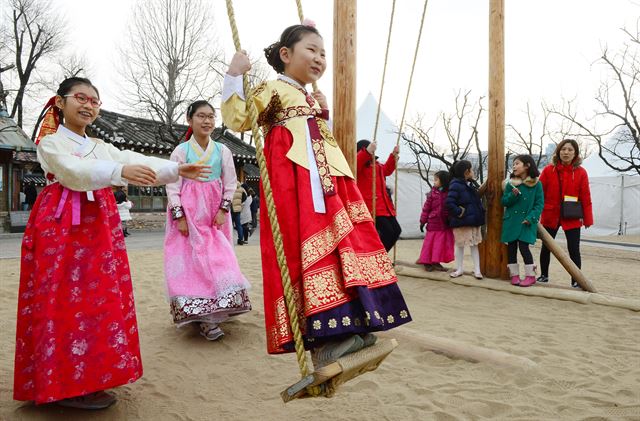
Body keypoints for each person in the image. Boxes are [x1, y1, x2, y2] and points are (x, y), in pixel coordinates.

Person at [221, 22, 412, 365]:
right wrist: (234, 74)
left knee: (345, 245)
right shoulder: (273, 89)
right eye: (311, 49)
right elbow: (239, 119)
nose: (319, 58)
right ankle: (324, 341)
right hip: (297, 184)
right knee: (310, 247)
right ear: (285, 54)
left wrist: (321, 113)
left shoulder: (308, 98)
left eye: (323, 53)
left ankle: (351, 322)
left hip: (330, 184)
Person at [13, 77, 210, 409]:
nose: (89, 105)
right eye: (81, 98)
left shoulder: (102, 147)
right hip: (60, 229)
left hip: (98, 228)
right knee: (59, 299)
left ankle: (92, 376)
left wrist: (175, 169)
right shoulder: (50, 144)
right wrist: (121, 171)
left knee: (99, 298)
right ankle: (60, 382)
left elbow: (130, 156)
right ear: (60, 102)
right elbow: (73, 171)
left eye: (95, 101)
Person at [164, 100, 251, 341]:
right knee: (193, 262)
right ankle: (204, 318)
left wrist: (224, 210)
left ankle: (217, 308)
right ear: (189, 120)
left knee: (218, 259)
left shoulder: (222, 151)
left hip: (214, 214)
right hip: (189, 214)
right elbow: (172, 186)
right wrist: (179, 216)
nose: (207, 121)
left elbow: (230, 183)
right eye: (201, 116)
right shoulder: (181, 151)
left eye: (211, 116)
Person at [537, 139, 593, 288]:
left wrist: (587, 219)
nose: (566, 152)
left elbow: (586, 197)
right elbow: (539, 192)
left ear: (575, 153)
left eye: (570, 150)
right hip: (551, 213)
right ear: (558, 151)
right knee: (546, 246)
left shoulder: (581, 172)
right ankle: (544, 275)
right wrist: (535, 212)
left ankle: (576, 280)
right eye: (563, 149)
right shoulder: (549, 170)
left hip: (572, 214)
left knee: (574, 248)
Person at [500, 155, 544, 287]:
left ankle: (531, 276)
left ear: (527, 165)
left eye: (517, 163)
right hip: (512, 221)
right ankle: (514, 275)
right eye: (513, 164)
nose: (513, 166)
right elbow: (504, 202)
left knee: (524, 248)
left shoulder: (537, 184)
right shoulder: (510, 184)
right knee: (511, 248)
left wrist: (531, 218)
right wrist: (512, 195)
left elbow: (539, 204)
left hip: (527, 222)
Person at [356, 140, 402, 251]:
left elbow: (387, 170)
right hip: (372, 207)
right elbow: (356, 164)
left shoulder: (378, 166)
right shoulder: (358, 167)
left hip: (385, 206)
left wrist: (394, 155)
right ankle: (378, 258)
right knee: (388, 233)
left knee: (396, 231)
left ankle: (381, 257)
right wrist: (365, 152)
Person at [445, 160, 486, 279]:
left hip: (471, 221)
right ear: (466, 172)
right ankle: (460, 269)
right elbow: (449, 202)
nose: (473, 172)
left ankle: (477, 270)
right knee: (460, 245)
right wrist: (460, 213)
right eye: (471, 169)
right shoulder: (456, 185)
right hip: (462, 222)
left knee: (473, 245)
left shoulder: (467, 184)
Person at [417, 171, 454, 271]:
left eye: (436, 180)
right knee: (429, 244)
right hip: (433, 223)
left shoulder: (449, 194)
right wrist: (422, 221)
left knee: (439, 245)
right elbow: (426, 208)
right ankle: (426, 262)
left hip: (445, 224)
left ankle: (435, 261)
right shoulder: (432, 194)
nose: (434, 182)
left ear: (444, 181)